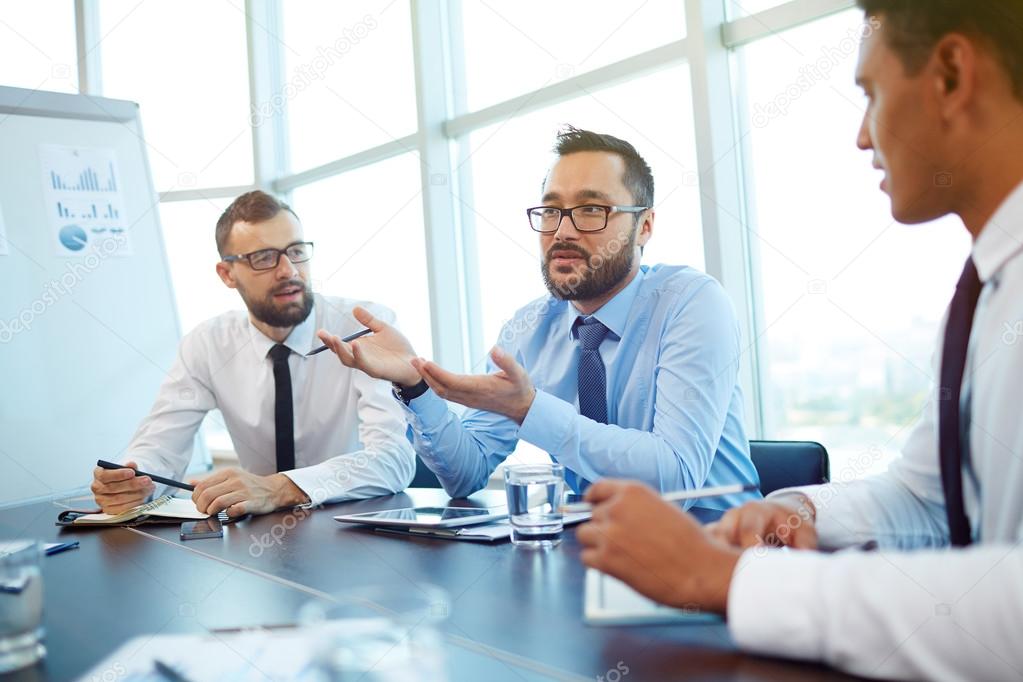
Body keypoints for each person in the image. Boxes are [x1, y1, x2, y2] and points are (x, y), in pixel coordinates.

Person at [577, 2, 1023, 679]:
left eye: (870, 94)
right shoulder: (986, 292)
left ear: (951, 75)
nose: (860, 137)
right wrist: (795, 508)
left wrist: (726, 582)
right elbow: (929, 497)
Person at [317, 127, 760, 509]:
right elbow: (465, 474)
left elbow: (676, 475)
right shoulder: (530, 326)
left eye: (592, 210)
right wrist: (414, 385)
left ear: (644, 226)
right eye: (551, 211)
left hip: (717, 552)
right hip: (593, 554)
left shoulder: (692, 302)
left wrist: (530, 409)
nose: (563, 231)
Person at [90, 191, 415, 517]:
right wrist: (134, 479)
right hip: (256, 536)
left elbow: (394, 458)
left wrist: (282, 487)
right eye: (263, 257)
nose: (288, 270)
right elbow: (161, 446)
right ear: (227, 274)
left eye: (296, 251)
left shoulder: (363, 326)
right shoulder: (207, 343)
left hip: (356, 530)